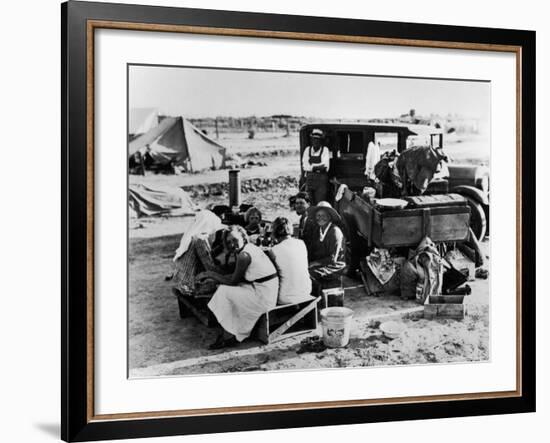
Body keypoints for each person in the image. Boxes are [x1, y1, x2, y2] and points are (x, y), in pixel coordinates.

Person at [201, 226, 279, 349]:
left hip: (264, 296)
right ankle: (232, 329)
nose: (232, 244)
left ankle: (229, 335)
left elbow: (232, 281)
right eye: (228, 242)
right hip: (264, 289)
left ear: (243, 237)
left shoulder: (244, 255)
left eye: (235, 240)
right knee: (229, 288)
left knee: (223, 290)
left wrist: (210, 274)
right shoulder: (251, 247)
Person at [267, 217, 312, 305]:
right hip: (306, 292)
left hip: (286, 298)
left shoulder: (274, 250)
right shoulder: (301, 243)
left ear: (274, 232)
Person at [307, 201, 346, 290]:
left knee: (310, 274)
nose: (320, 218)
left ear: (329, 217)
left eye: (324, 215)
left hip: (335, 266)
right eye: (318, 216)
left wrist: (313, 263)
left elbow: (333, 258)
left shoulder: (335, 232)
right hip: (323, 263)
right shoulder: (318, 229)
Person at [302, 128, 330, 204]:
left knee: (320, 203)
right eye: (314, 139)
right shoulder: (307, 150)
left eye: (318, 139)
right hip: (309, 181)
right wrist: (316, 167)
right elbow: (305, 166)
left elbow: (325, 167)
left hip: (321, 182)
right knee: (308, 203)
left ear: (321, 141)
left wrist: (311, 167)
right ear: (311, 140)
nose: (315, 141)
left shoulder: (325, 150)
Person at [293, 192, 316, 256]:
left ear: (308, 204)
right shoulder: (302, 219)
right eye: (297, 203)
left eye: (301, 203)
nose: (298, 206)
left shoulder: (313, 220)